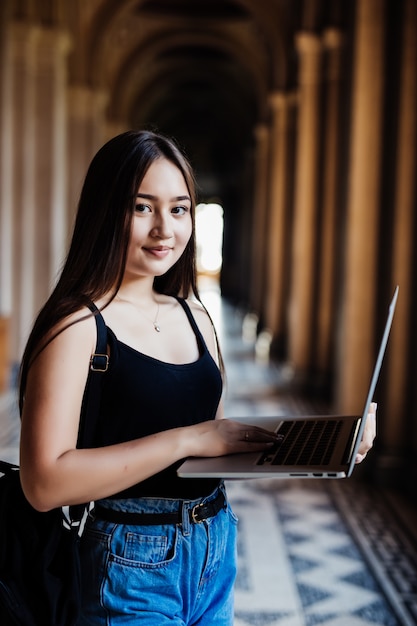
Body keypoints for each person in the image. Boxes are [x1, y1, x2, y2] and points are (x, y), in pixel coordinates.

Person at [17, 130, 376, 625]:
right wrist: (189, 437)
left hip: (214, 543)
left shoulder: (194, 316)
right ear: (105, 212)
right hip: (129, 560)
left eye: (180, 209)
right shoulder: (78, 325)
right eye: (142, 207)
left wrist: (324, 447)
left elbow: (211, 444)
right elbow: (44, 482)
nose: (165, 229)